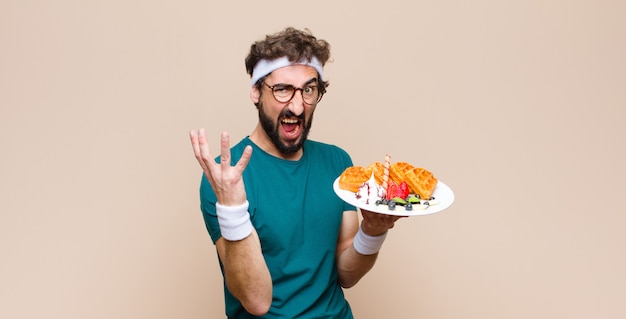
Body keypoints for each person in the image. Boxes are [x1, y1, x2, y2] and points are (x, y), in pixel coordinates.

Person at [189, 27, 403, 318]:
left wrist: (373, 231)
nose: (297, 105)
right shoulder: (225, 179)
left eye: (309, 89)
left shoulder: (337, 163)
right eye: (282, 89)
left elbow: (346, 274)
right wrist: (233, 208)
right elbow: (256, 301)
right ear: (255, 91)